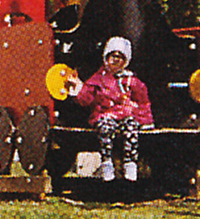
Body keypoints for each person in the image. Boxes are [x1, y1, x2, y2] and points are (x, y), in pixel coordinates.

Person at [64, 36, 152, 182]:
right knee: (105, 129)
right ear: (106, 57)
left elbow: (143, 102)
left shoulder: (132, 81)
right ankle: (107, 163)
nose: (116, 60)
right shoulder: (98, 79)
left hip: (125, 116)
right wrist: (77, 87)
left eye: (120, 57)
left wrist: (146, 121)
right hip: (104, 115)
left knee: (131, 128)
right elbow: (86, 98)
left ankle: (130, 163)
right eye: (113, 56)